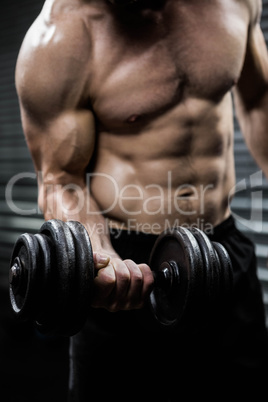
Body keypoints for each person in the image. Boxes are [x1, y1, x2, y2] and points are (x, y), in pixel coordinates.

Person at [15, 0, 268, 399]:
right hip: (128, 261)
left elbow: (258, 100)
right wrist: (101, 257)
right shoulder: (62, 37)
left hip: (222, 248)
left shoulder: (235, 4)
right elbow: (61, 179)